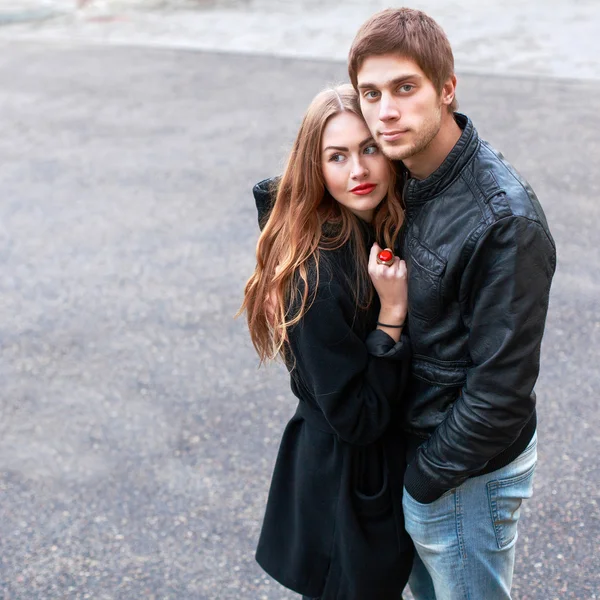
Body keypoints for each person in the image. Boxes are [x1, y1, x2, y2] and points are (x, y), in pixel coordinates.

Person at [342, 8, 557, 600]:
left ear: (447, 89)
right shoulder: (403, 172)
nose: (386, 110)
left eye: (405, 88)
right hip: (423, 456)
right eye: (371, 93)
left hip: (464, 476)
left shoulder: (504, 222)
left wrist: (424, 478)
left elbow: (500, 393)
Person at [239, 84, 414, 599]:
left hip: (356, 475)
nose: (358, 171)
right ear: (315, 167)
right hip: (342, 490)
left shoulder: (370, 224)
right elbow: (357, 417)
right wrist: (392, 315)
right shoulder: (315, 276)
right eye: (336, 157)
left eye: (369, 149)